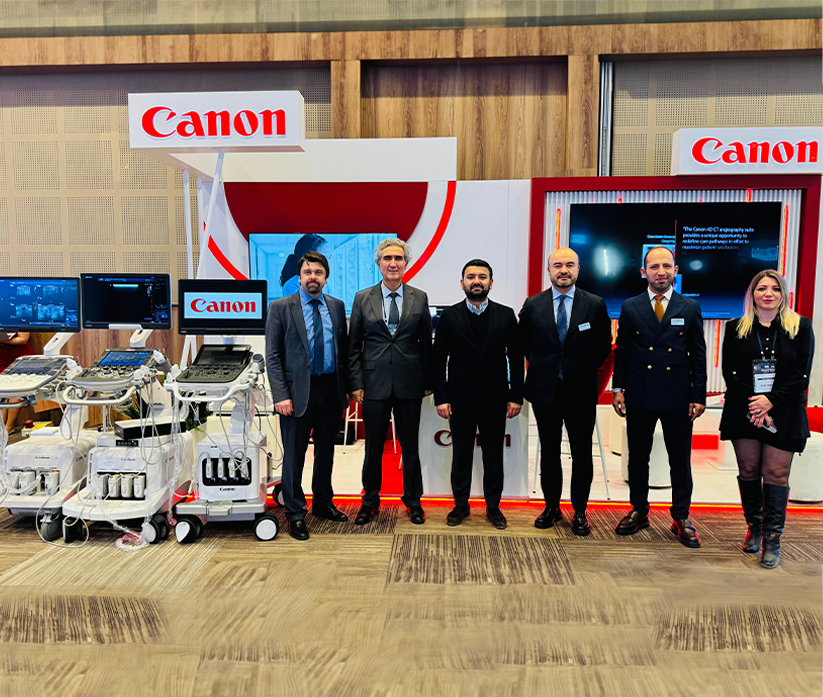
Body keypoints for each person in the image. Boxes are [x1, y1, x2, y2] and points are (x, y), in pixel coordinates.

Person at [612, 246, 707, 547]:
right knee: (638, 458)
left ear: (675, 270)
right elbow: (623, 351)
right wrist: (618, 388)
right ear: (644, 272)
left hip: (678, 395)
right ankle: (639, 510)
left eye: (666, 266)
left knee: (680, 460)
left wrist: (699, 395)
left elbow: (698, 355)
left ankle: (681, 516)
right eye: (654, 267)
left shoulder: (689, 307)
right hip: (639, 392)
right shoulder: (631, 306)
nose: (661, 272)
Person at [720, 270, 814, 568]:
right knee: (748, 469)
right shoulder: (735, 328)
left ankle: (772, 539)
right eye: (762, 288)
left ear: (783, 294)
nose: (768, 293)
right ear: (753, 294)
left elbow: (801, 375)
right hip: (744, 408)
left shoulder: (800, 327)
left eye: (775, 288)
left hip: (785, 411)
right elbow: (730, 372)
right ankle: (755, 528)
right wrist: (756, 404)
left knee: (775, 473)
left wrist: (770, 401)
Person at [519, 248, 612, 535]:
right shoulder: (533, 304)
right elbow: (524, 344)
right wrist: (547, 366)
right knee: (549, 452)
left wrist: (578, 369)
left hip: (580, 391)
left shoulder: (594, 304)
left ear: (578, 269)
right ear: (549, 270)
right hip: (545, 390)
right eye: (557, 265)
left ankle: (580, 511)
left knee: (582, 453)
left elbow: (603, 346)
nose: (563, 270)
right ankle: (551, 507)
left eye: (569, 265)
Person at [433, 259, 524, 530]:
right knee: (461, 455)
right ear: (462, 283)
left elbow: (516, 358)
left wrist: (516, 395)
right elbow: (439, 359)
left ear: (491, 283)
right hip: (459, 399)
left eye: (482, 277)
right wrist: (441, 397)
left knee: (493, 457)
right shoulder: (449, 316)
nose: (476, 281)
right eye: (471, 277)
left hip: (495, 399)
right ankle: (461, 505)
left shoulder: (506, 315)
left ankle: (493, 507)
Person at [348, 238, 433, 525]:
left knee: (410, 447)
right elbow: (353, 345)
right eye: (387, 258)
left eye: (398, 258)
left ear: (406, 263)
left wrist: (428, 380)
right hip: (374, 383)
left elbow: (426, 343)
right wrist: (356, 383)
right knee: (372, 447)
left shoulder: (419, 297)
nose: (393, 263)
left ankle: (413, 501)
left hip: (410, 383)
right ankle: (370, 501)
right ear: (378, 263)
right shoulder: (363, 298)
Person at [266, 250, 350, 540]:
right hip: (295, 393)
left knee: (326, 451)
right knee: (294, 454)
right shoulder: (280, 307)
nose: (312, 277)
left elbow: (343, 350)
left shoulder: (336, 306)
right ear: (299, 277)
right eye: (307, 272)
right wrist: (280, 395)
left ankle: (323, 503)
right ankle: (295, 513)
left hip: (330, 389)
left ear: (326, 278)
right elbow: (273, 356)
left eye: (318, 272)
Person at [0, 332, 34, 433]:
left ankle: (8, 427)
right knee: (2, 394)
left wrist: (2, 340)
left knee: (15, 392)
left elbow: (23, 339)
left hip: (19, 358)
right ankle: (1, 429)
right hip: (2, 358)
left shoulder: (19, 320)